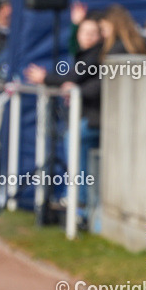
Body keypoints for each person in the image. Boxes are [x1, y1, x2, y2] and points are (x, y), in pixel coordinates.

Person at [24, 12, 105, 223]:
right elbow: (74, 67)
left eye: (93, 33)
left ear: (100, 36)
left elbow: (74, 77)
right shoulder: (84, 53)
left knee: (75, 145)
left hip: (94, 121)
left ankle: (78, 202)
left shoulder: (96, 55)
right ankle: (77, 202)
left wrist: (45, 78)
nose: (88, 37)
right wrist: (76, 25)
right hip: (86, 118)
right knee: (75, 150)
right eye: (84, 32)